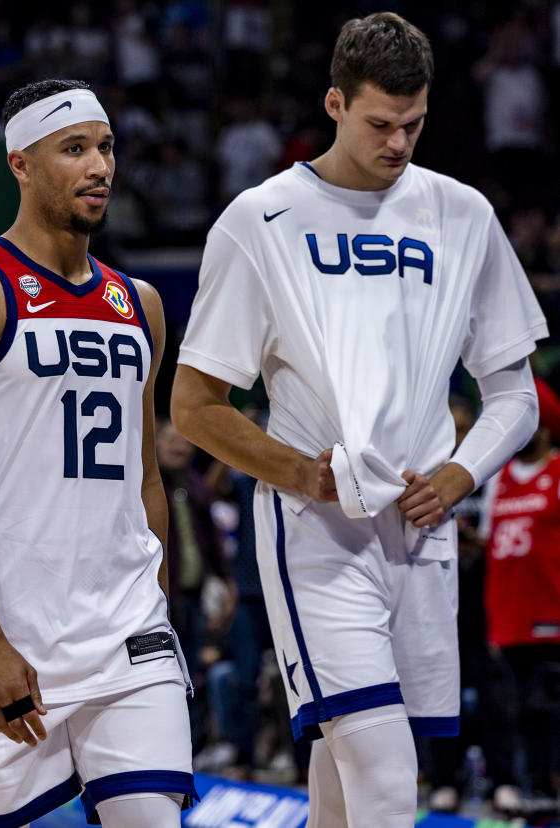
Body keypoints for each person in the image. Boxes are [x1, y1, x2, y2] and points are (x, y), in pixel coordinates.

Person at [171, 13, 547, 828]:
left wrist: (458, 474)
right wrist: (307, 475)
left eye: (413, 124)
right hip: (315, 529)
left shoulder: (464, 215)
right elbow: (194, 408)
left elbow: (513, 396)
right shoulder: (259, 219)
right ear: (335, 102)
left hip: (421, 529)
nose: (398, 142)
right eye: (380, 123)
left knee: (344, 782)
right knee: (384, 771)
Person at [0, 79, 195, 827]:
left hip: (130, 634)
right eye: (74, 149)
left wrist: (158, 603)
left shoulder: (141, 306)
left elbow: (146, 478)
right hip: (15, 631)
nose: (99, 166)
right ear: (21, 164)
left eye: (105, 147)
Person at [480, 376, 560, 814]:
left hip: (551, 611)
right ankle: (532, 787)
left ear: (544, 429)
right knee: (517, 711)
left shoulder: (558, 471)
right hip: (508, 615)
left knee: (547, 707)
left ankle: (547, 786)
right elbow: (493, 546)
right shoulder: (500, 478)